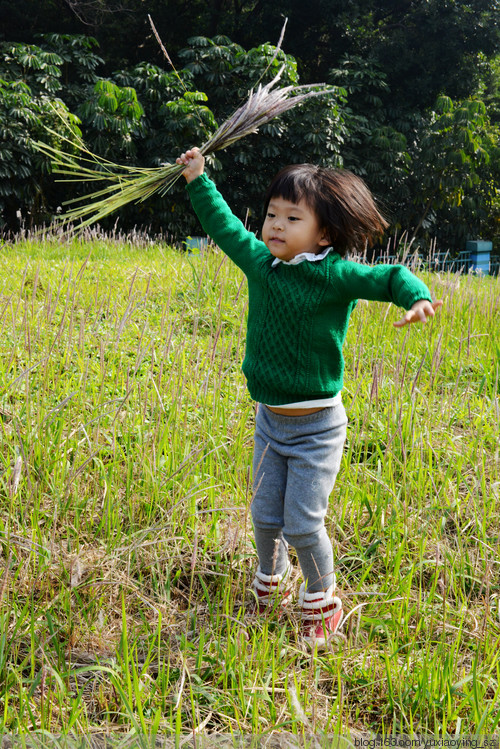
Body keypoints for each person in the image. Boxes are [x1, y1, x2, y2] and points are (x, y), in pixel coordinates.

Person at [176, 147, 442, 648]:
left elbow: (387, 277)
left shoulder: (333, 275)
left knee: (301, 523)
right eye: (272, 215)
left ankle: (323, 602)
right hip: (270, 421)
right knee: (263, 514)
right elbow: (226, 226)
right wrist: (198, 179)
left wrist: (417, 297)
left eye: (292, 218)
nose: (275, 225)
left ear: (323, 233)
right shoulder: (262, 265)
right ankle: (270, 583)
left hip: (317, 426)